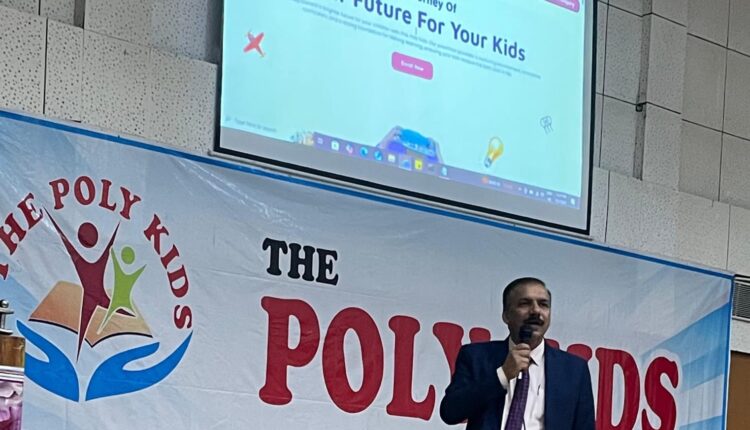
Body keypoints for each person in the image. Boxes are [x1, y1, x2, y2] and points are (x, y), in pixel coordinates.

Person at [439, 277, 595, 430]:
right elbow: (450, 412)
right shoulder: (476, 357)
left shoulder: (574, 369)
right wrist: (502, 375)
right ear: (506, 315)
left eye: (543, 304)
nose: (536, 311)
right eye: (525, 304)